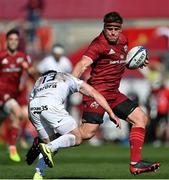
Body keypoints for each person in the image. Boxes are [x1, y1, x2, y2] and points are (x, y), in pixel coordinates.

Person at [72, 12, 160, 175]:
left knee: (140, 118)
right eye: (109, 28)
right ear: (104, 28)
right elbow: (82, 64)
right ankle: (50, 141)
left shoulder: (124, 41)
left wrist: (139, 61)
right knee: (86, 134)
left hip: (113, 94)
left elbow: (120, 61)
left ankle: (135, 164)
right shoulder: (98, 44)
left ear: (121, 29)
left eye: (116, 29)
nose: (112, 32)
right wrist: (69, 83)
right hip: (96, 94)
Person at [28, 70, 120, 179]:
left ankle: (38, 174)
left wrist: (36, 123)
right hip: (51, 104)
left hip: (33, 108)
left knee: (53, 143)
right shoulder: (67, 77)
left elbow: (31, 101)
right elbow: (94, 93)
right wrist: (110, 112)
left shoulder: (39, 81)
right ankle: (48, 147)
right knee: (77, 137)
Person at [0, 29, 35, 162]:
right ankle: (12, 146)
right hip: (2, 94)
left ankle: (12, 147)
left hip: (12, 96)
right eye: (11, 39)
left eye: (16, 40)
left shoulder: (23, 57)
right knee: (18, 113)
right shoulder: (1, 56)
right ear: (7, 41)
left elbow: (34, 74)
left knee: (17, 116)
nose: (13, 42)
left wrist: (28, 68)